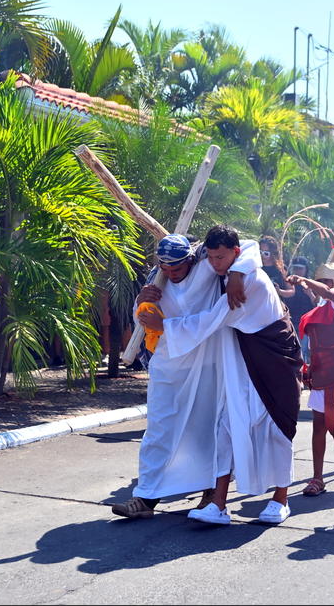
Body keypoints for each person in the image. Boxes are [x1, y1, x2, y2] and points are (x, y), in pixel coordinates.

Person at [140, 225, 302, 525]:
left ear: (235, 254)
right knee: (227, 426)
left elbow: (212, 320)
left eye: (221, 257)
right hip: (241, 357)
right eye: (211, 257)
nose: (214, 263)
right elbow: (245, 247)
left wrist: (165, 327)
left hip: (273, 356)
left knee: (275, 425)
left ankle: (281, 498)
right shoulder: (227, 272)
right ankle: (218, 504)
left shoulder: (246, 281)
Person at [110, 235, 258, 519]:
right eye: (165, 267)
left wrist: (238, 275)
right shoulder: (158, 278)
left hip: (208, 363)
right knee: (158, 429)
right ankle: (145, 497)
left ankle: (211, 493)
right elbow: (144, 319)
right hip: (169, 364)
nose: (171, 273)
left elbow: (249, 245)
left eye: (176, 267)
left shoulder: (206, 265)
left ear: (190, 259)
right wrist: (141, 303)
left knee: (208, 430)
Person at [288, 263, 334, 498]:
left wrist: (306, 281)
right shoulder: (318, 308)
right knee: (319, 426)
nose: (324, 288)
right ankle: (317, 477)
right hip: (321, 374)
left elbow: (330, 295)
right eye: (322, 282)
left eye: (327, 283)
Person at [283, 257, 316, 362]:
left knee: (303, 351)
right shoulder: (287, 282)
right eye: (296, 268)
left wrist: (310, 294)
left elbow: (318, 305)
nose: (298, 271)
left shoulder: (311, 283)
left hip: (305, 324)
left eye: (300, 268)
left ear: (306, 269)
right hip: (290, 321)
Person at [259, 235, 294, 299]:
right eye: (260, 252)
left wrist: (279, 291)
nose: (262, 255)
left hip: (276, 306)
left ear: (273, 253)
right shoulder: (256, 267)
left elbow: (292, 291)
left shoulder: (282, 269)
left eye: (266, 253)